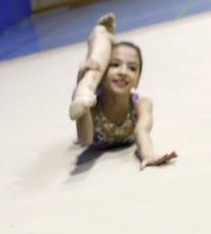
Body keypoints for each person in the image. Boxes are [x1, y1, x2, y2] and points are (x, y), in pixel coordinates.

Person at [69, 13, 177, 169]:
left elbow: (142, 132)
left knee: (97, 62)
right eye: (115, 65)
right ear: (103, 74)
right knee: (91, 68)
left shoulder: (142, 104)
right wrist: (83, 108)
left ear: (138, 80)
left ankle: (105, 36)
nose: (123, 72)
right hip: (87, 95)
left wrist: (148, 155)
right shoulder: (93, 107)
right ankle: (99, 44)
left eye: (132, 68)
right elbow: (85, 140)